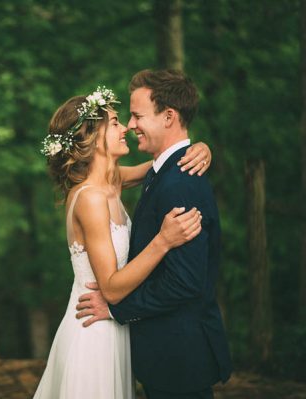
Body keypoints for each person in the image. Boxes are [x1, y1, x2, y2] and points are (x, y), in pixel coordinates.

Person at [33, 85, 212, 398]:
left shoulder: (111, 183)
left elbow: (162, 167)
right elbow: (112, 288)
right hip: (94, 331)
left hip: (115, 328)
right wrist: (163, 241)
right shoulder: (89, 199)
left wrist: (199, 149)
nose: (125, 127)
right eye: (114, 122)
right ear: (91, 137)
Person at [76, 70, 232, 399]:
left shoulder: (178, 182)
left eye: (135, 116)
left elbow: (184, 281)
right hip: (163, 354)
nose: (130, 126)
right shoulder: (162, 172)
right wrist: (199, 146)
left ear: (169, 116)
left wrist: (119, 310)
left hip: (178, 357)